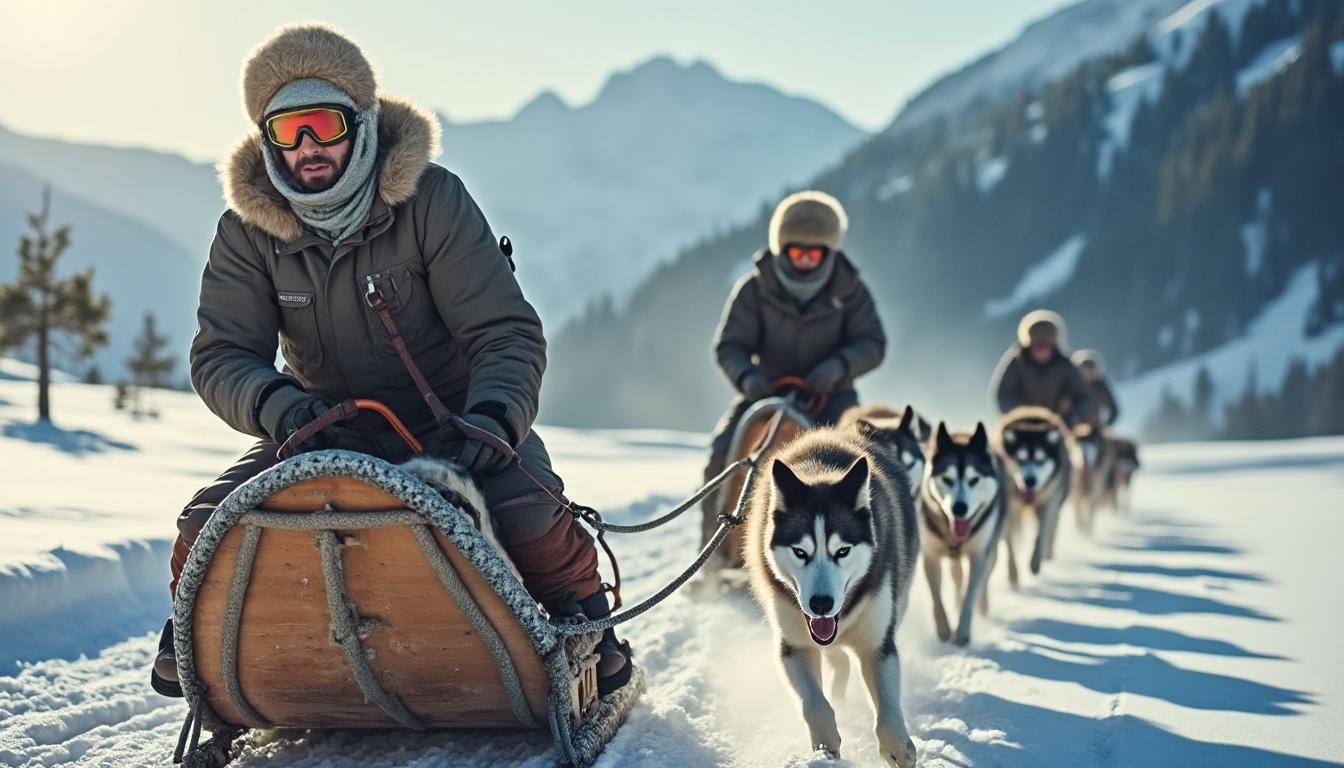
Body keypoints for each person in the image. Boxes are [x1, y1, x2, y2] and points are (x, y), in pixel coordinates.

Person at [151, 23, 629, 697]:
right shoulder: (246, 230)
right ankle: (203, 636)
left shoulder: (431, 199)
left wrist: (492, 420)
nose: (308, 146)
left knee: (525, 512)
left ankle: (589, 629)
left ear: (361, 125)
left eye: (322, 124)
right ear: (267, 140)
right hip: (322, 427)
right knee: (209, 521)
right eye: (288, 131)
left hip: (457, 426)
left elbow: (505, 333)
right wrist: (287, 411)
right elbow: (224, 354)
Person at [701, 190, 886, 542]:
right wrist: (748, 377)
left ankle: (858, 551)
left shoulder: (851, 291)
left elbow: (873, 343)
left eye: (813, 252)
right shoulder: (754, 290)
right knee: (723, 454)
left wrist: (839, 366)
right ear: (780, 247)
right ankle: (714, 549)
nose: (804, 260)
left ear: (828, 252)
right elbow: (729, 345)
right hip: (765, 391)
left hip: (832, 396)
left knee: (857, 467)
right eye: (796, 251)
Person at [991, 309, 1091, 426]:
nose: (1041, 351)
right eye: (1037, 346)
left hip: (1055, 427)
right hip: (1022, 427)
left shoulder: (1064, 365)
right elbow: (1003, 394)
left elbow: (1082, 396)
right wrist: (1020, 415)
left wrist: (1072, 418)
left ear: (1053, 346)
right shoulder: (1017, 362)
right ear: (1029, 344)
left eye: (1045, 346)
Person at [1071, 349, 1120, 427]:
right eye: (1084, 370)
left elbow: (1114, 410)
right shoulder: (1072, 387)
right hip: (1074, 428)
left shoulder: (1101, 387)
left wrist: (1106, 426)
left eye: (1090, 370)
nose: (1087, 374)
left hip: (1095, 429)